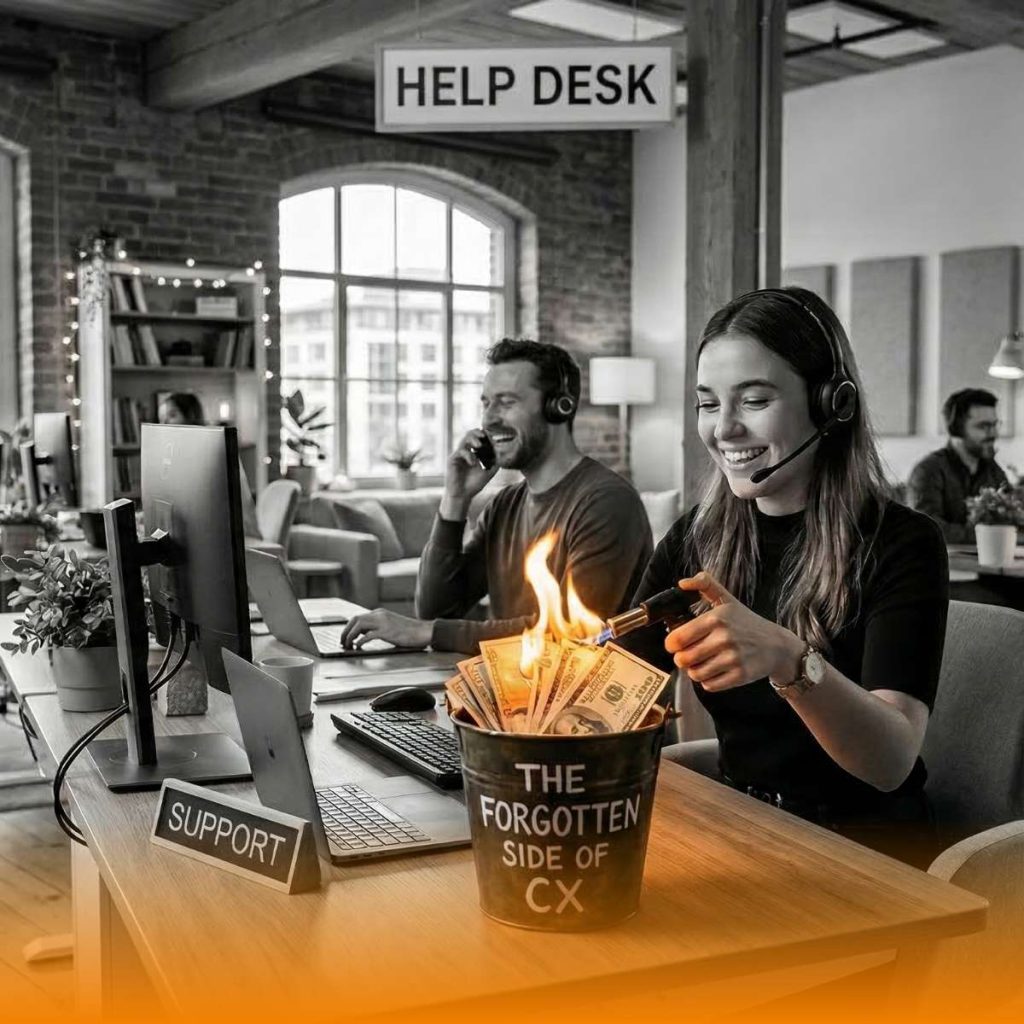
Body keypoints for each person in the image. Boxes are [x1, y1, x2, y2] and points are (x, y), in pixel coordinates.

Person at [622, 287, 948, 867]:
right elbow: (616, 681)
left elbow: (890, 761)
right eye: (707, 403)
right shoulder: (697, 536)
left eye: (753, 400)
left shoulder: (903, 543)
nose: (723, 430)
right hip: (743, 833)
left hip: (867, 857)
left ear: (832, 405)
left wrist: (788, 659)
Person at [341, 339, 653, 654]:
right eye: (486, 402)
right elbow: (436, 610)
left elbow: (570, 632)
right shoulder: (505, 505)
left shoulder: (607, 502)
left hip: (587, 698)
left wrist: (430, 631)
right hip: (515, 689)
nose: (489, 419)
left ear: (559, 407)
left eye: (506, 402)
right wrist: (455, 499)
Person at [907, 389, 1008, 543]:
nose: (993, 433)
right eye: (984, 426)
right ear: (957, 429)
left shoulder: (993, 470)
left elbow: (1011, 519)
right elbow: (926, 529)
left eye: (995, 425)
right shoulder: (928, 471)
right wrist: (986, 536)